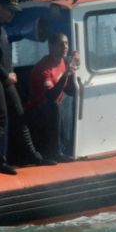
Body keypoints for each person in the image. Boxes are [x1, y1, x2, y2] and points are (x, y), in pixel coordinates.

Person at [0, 0, 53, 175]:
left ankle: (33, 154)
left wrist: (10, 73)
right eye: (10, 11)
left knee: (19, 114)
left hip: (5, 77)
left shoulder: (1, 27)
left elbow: (3, 55)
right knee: (0, 117)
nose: (12, 15)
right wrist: (5, 75)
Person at [25, 33, 77, 162]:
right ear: (51, 46)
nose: (65, 47)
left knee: (71, 100)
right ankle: (55, 152)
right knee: (53, 106)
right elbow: (50, 96)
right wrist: (66, 74)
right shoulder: (44, 68)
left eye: (66, 43)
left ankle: (69, 145)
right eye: (61, 44)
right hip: (38, 110)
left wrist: (75, 71)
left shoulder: (64, 62)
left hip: (57, 106)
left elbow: (70, 91)